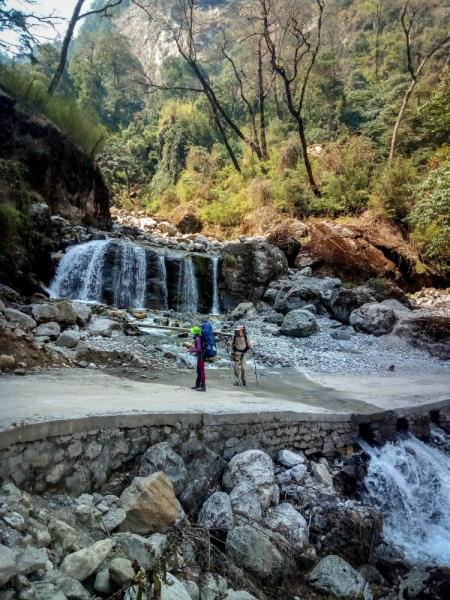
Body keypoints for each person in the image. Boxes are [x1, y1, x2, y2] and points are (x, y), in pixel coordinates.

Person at [188, 326, 206, 392]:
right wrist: (191, 349)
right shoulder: (199, 337)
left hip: (201, 356)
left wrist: (190, 350)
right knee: (199, 370)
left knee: (201, 371)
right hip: (201, 355)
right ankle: (198, 384)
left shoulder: (197, 338)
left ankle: (203, 386)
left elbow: (198, 349)